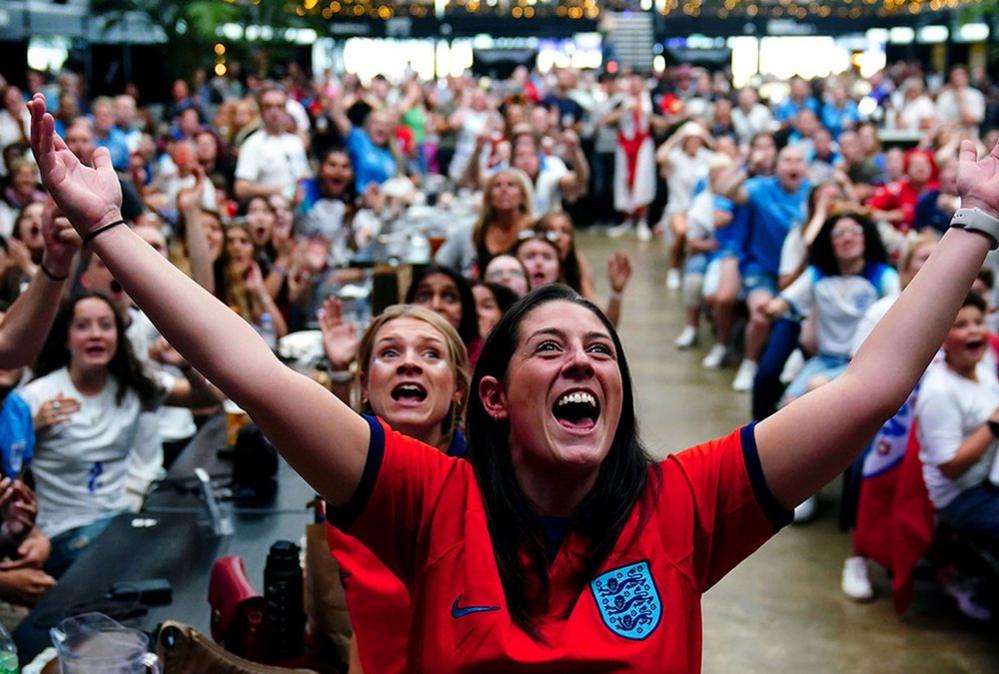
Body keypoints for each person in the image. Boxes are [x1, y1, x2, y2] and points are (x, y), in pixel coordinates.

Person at [26, 92, 999, 672]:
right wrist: (112, 232)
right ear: (491, 396)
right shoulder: (431, 497)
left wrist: (976, 222)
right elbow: (250, 368)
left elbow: (874, 384)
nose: (583, 358)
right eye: (550, 347)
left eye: (600, 350)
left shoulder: (689, 502)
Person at [20, 292, 223, 577]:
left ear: (118, 335)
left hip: (120, 521)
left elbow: (209, 399)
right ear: (66, 338)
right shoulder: (36, 397)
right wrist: (29, 429)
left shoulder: (132, 386)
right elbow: (8, 468)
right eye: (82, 326)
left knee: (192, 540)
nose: (96, 335)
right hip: (64, 533)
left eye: (105, 325)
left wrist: (185, 366)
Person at [320, 303, 470, 674]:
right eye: (389, 352)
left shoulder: (494, 486)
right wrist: (339, 371)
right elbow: (367, 633)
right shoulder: (349, 488)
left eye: (431, 353)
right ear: (365, 387)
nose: (409, 363)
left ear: (458, 390)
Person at [435, 168, 535, 279]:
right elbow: (440, 265)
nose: (504, 190)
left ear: (522, 196)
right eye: (497, 186)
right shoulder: (471, 230)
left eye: (511, 185)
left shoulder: (535, 229)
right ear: (489, 196)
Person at [233, 85, 310, 201]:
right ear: (261, 111)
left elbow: (304, 177)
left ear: (286, 110)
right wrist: (278, 190)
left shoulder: (295, 142)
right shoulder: (252, 144)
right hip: (270, 209)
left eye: (280, 106)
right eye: (268, 107)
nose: (274, 112)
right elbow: (241, 188)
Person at [404, 265, 483, 367]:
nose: (436, 305)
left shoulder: (484, 360)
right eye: (424, 296)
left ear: (465, 308)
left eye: (449, 297)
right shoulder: (395, 356)